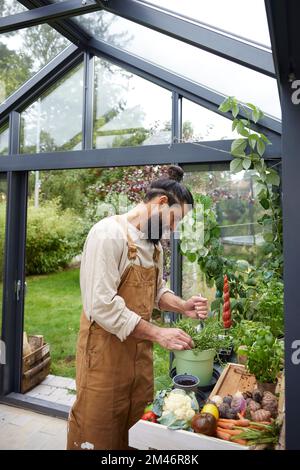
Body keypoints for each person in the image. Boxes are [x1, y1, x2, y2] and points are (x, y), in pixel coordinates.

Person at [66, 165, 208, 450]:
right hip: (104, 358)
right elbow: (101, 305)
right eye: (173, 220)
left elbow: (156, 291)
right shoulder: (108, 234)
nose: (172, 229)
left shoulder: (154, 246)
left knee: (137, 433)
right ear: (161, 203)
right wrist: (158, 334)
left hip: (139, 359)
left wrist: (182, 306)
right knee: (98, 432)